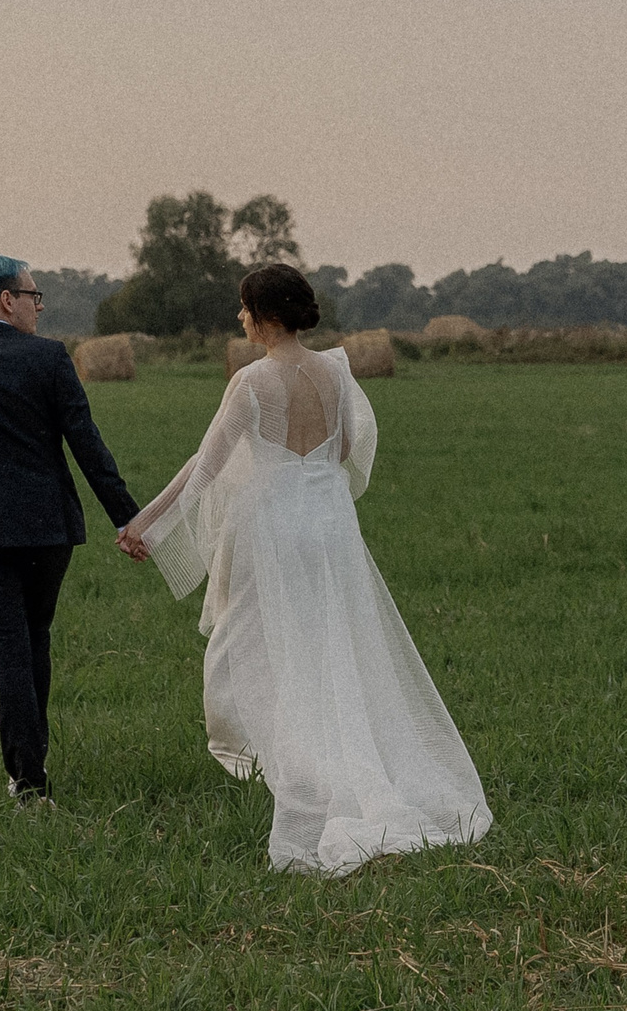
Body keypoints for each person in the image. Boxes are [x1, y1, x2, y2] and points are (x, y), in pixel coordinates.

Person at [117, 263, 491, 875]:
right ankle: (319, 758)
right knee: (330, 644)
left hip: (272, 526)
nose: (239, 320)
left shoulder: (250, 383)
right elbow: (344, 451)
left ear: (265, 316)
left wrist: (147, 525)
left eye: (243, 309)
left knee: (242, 645)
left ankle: (290, 766)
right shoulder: (338, 373)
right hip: (328, 523)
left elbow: (206, 465)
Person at [0, 255, 140, 805]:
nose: (40, 307)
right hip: (46, 528)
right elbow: (87, 443)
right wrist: (129, 517)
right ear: (7, 300)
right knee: (34, 641)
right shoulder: (47, 358)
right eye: (34, 296)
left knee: (6, 650)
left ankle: (27, 780)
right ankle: (30, 768)